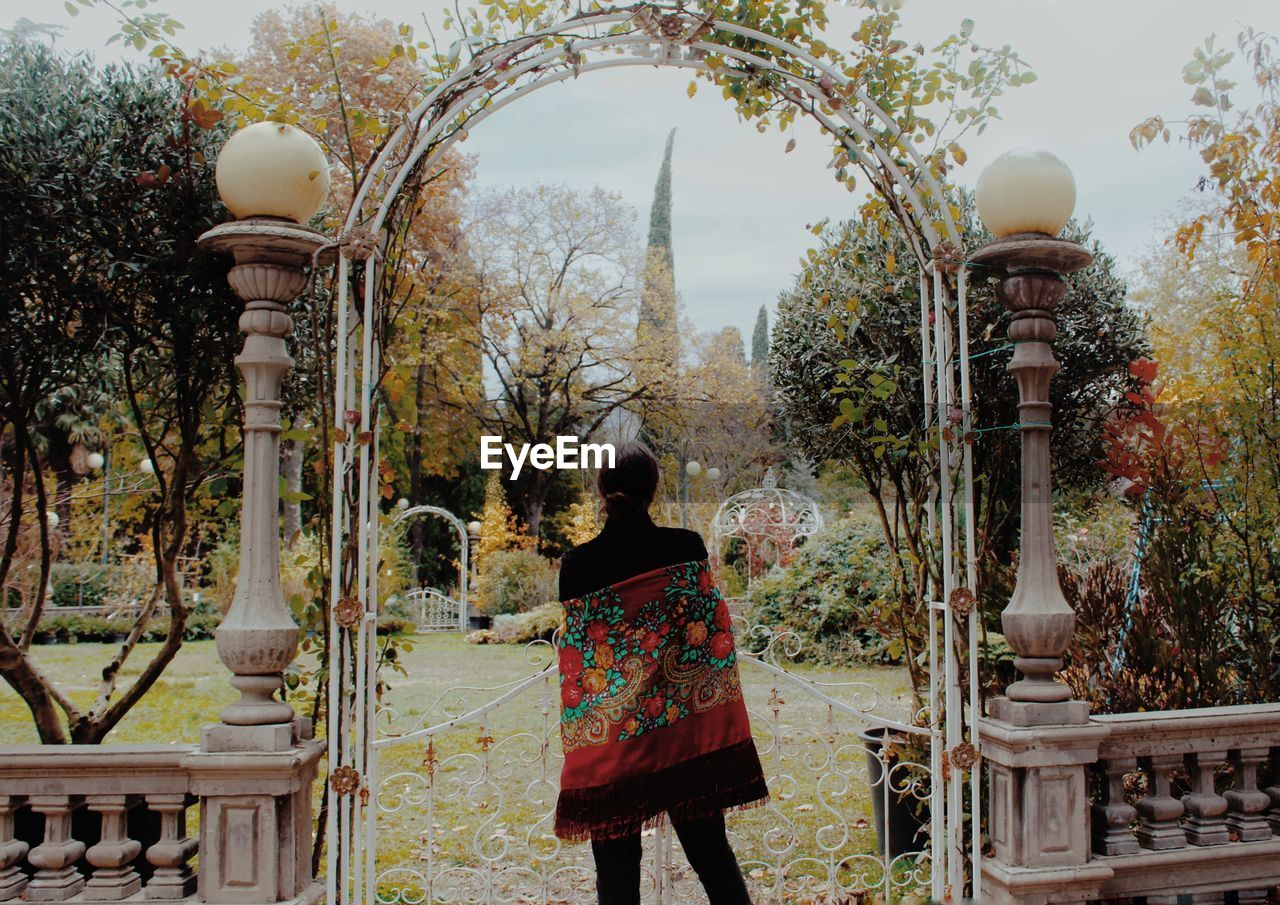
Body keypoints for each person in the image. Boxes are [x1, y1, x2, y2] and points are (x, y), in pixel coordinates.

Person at [555, 440, 768, 905]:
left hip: (613, 746)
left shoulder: (577, 565)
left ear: (602, 489)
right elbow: (713, 633)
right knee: (711, 852)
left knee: (614, 870)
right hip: (685, 741)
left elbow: (581, 659)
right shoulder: (684, 547)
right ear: (652, 489)